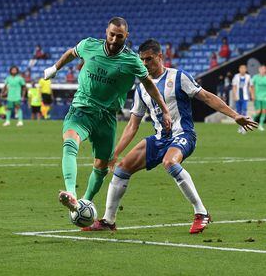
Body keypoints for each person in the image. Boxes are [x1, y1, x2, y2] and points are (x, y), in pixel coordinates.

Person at [84, 39, 257, 234]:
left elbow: (207, 97)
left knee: (170, 162)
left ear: (160, 57)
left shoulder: (179, 77)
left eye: (149, 59)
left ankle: (201, 213)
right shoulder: (142, 87)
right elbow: (133, 125)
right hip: (159, 138)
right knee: (122, 169)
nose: (145, 64)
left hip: (183, 135)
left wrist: (235, 115)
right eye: (142, 60)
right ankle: (109, 220)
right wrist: (115, 153)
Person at [43, 18, 172, 213]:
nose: (114, 39)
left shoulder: (131, 60)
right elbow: (71, 53)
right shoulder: (89, 45)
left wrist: (165, 109)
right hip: (82, 109)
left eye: (119, 36)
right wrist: (54, 68)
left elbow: (149, 85)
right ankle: (71, 193)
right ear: (106, 31)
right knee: (70, 142)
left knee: (102, 166)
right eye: (111, 34)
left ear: (126, 36)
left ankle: (83, 203)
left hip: (107, 117)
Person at [232, 65, 251, 134]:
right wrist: (234, 95)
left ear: (246, 69)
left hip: (245, 97)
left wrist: (251, 95)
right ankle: (240, 127)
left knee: (244, 111)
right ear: (239, 69)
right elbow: (234, 86)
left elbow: (250, 86)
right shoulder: (236, 76)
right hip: (238, 97)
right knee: (238, 113)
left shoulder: (248, 77)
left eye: (244, 68)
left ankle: (243, 127)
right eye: (241, 68)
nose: (242, 70)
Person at [250, 65, 266, 131]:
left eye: (264, 69)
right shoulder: (255, 77)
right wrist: (252, 95)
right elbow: (251, 86)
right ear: (259, 69)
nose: (263, 70)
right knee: (258, 111)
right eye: (261, 69)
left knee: (264, 111)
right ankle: (250, 123)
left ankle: (261, 125)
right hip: (257, 97)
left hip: (265, 98)